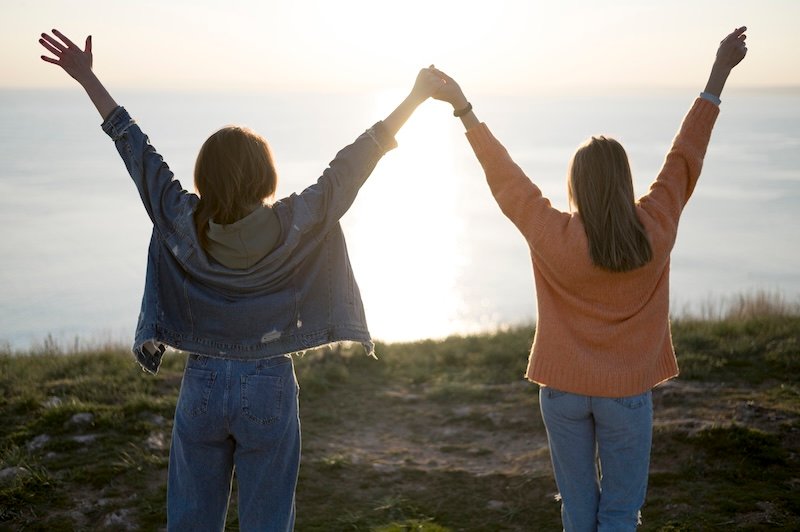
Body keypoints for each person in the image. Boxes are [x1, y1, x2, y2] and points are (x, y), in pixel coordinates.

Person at [39, 29, 445, 531]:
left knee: (190, 522)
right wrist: (414, 98)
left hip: (203, 383)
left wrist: (88, 78)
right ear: (264, 176)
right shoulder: (298, 223)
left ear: (205, 177)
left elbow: (134, 148)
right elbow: (354, 163)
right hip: (269, 384)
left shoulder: (180, 220)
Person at [430, 27, 748, 531]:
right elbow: (685, 157)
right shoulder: (656, 225)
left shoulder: (552, 233)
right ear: (624, 181)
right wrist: (717, 76)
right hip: (626, 392)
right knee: (620, 512)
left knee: (578, 511)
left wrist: (463, 108)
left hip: (561, 389)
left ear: (575, 184)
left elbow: (505, 178)